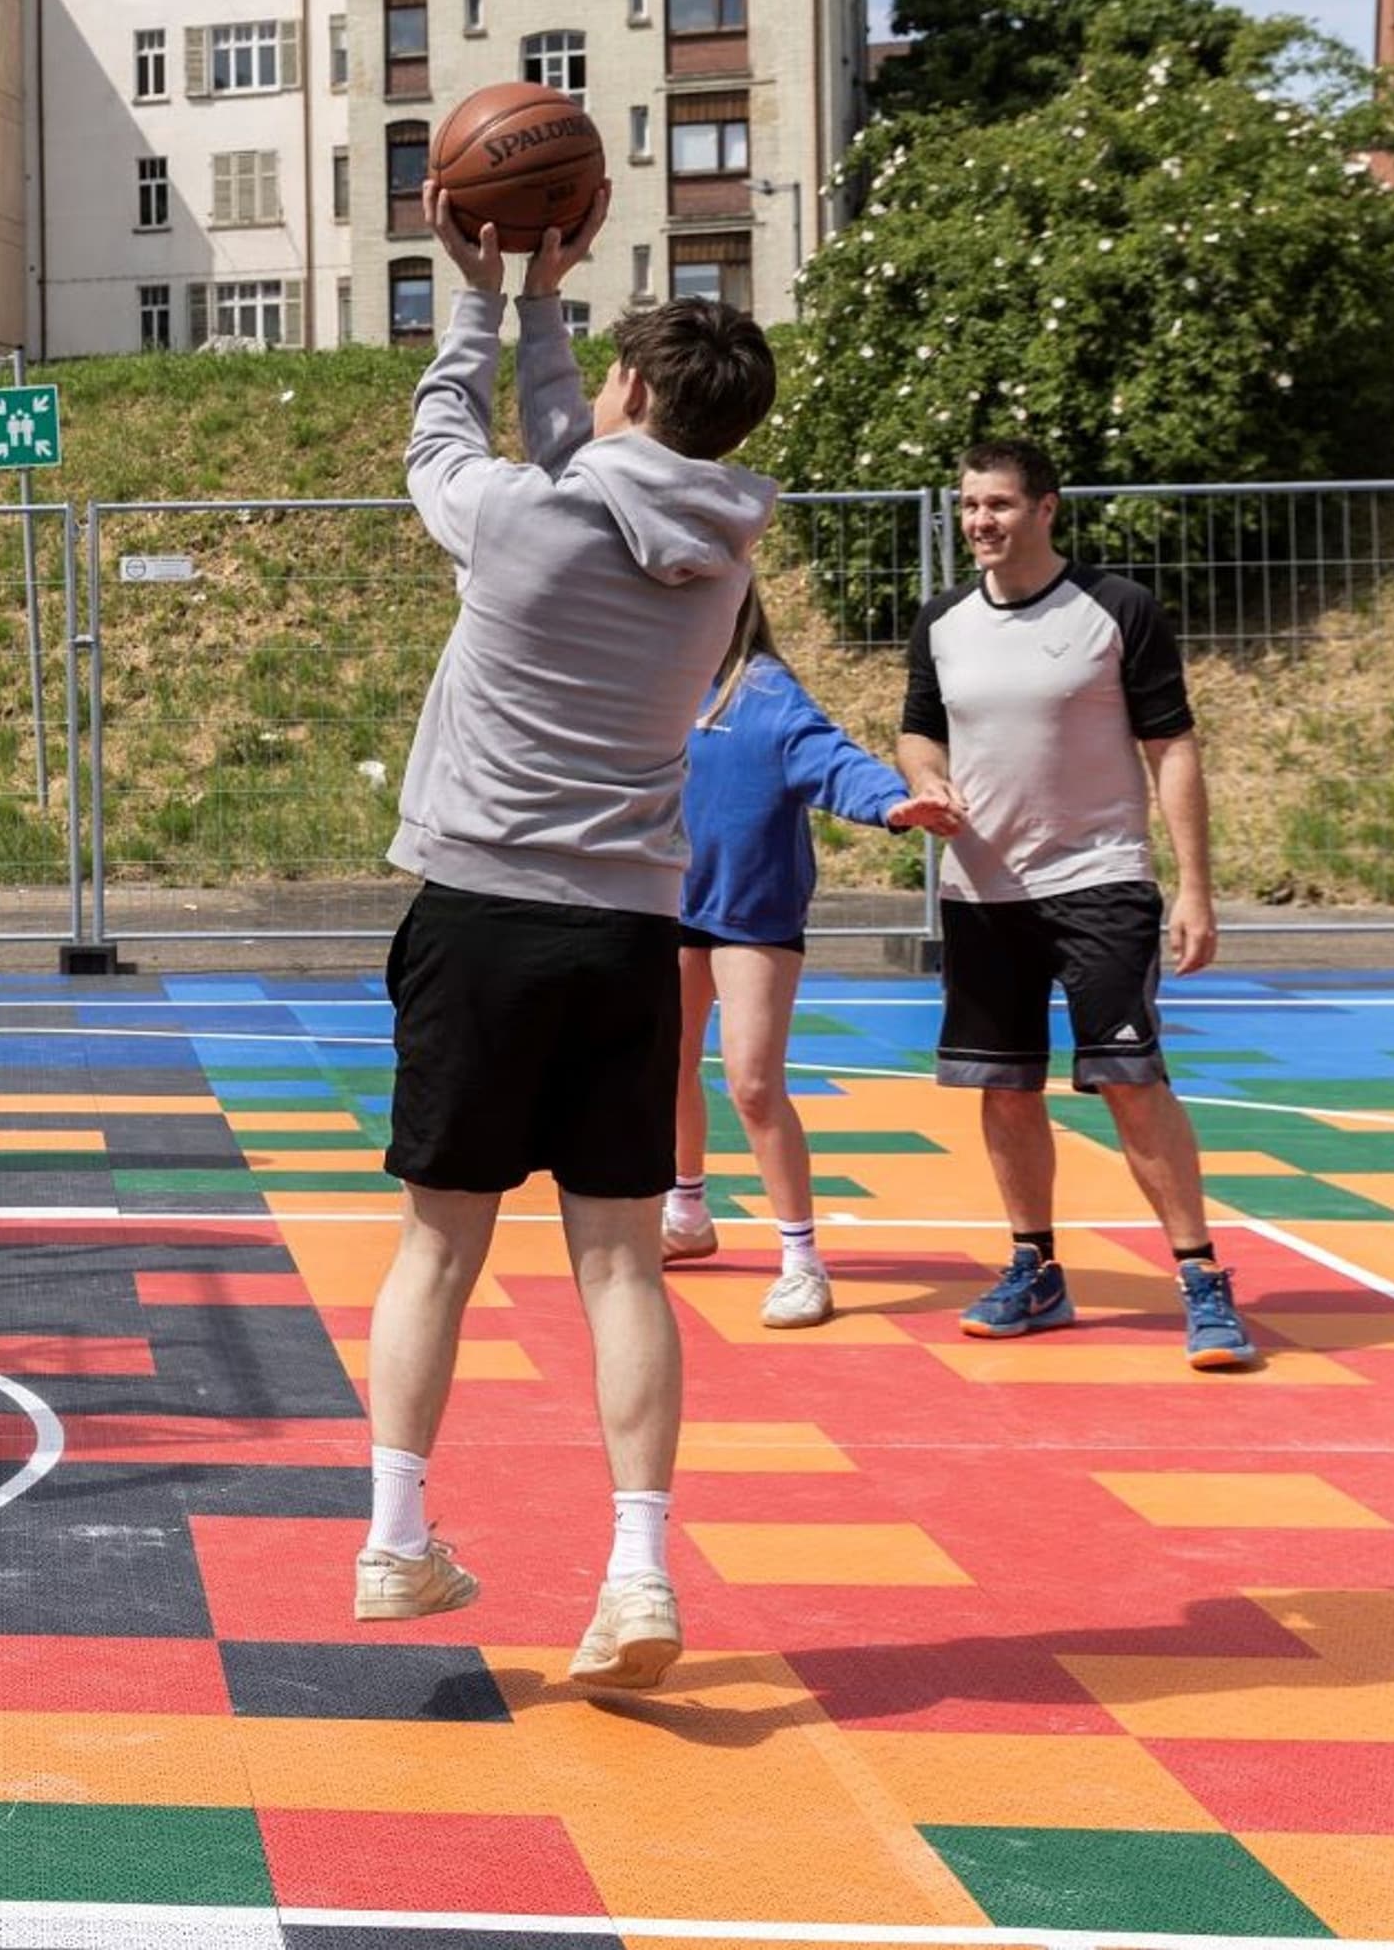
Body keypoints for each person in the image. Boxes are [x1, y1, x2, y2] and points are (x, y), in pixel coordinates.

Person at [355, 174, 778, 1697]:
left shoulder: (521, 532)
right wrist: (543, 305)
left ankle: (399, 1535)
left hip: (478, 921)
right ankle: (640, 1570)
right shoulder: (723, 568)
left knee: (438, 1249)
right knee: (621, 1271)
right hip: (623, 939)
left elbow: (443, 446)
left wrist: (480, 291)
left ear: (639, 390)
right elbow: (578, 455)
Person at [897, 437, 1255, 1372]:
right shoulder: (941, 620)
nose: (982, 521)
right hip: (982, 890)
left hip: (1098, 880)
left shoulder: (1117, 609)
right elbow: (917, 732)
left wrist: (1196, 889)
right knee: (1003, 1089)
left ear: (1046, 508)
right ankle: (1036, 1268)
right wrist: (927, 780)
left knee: (1132, 1084)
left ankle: (1201, 1277)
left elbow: (1171, 748)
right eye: (971, 504)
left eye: (1001, 505)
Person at [663, 586, 964, 1327]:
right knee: (659, 1064)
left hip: (751, 913)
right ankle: (685, 1213)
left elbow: (833, 762)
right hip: (665, 901)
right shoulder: (654, 681)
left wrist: (892, 805)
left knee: (754, 1084)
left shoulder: (768, 693)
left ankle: (803, 1263)